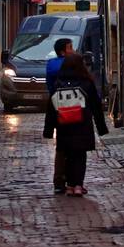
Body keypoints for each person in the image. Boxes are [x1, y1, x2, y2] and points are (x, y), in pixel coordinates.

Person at [43, 49, 107, 196]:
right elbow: (96, 106)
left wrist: (48, 130)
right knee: (80, 155)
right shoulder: (87, 82)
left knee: (69, 155)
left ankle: (70, 186)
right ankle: (78, 185)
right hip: (82, 124)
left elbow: (51, 109)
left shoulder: (58, 84)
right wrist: (101, 127)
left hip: (64, 125)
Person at [45, 38, 72, 193]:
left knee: (61, 146)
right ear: (63, 51)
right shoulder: (70, 63)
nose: (73, 50)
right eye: (70, 47)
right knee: (71, 146)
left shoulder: (51, 64)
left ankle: (59, 181)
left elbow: (50, 87)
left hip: (57, 108)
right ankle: (71, 180)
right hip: (72, 108)